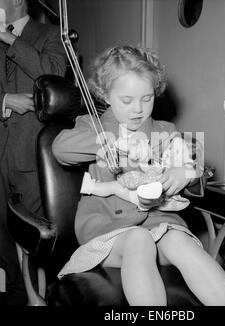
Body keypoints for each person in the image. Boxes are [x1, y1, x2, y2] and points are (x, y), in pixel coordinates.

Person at [52, 45, 225, 306]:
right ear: (105, 95)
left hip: (159, 223)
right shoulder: (91, 126)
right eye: (127, 100)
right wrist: (111, 142)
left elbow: (194, 160)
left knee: (181, 241)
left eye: (146, 98)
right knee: (138, 239)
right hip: (109, 230)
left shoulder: (164, 131)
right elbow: (61, 148)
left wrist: (185, 171)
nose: (138, 110)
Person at [0, 0, 67, 305]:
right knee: (2, 236)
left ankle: (44, 296)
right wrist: (4, 100)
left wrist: (8, 37)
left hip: (31, 157)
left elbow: (52, 72)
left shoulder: (53, 34)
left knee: (34, 235)